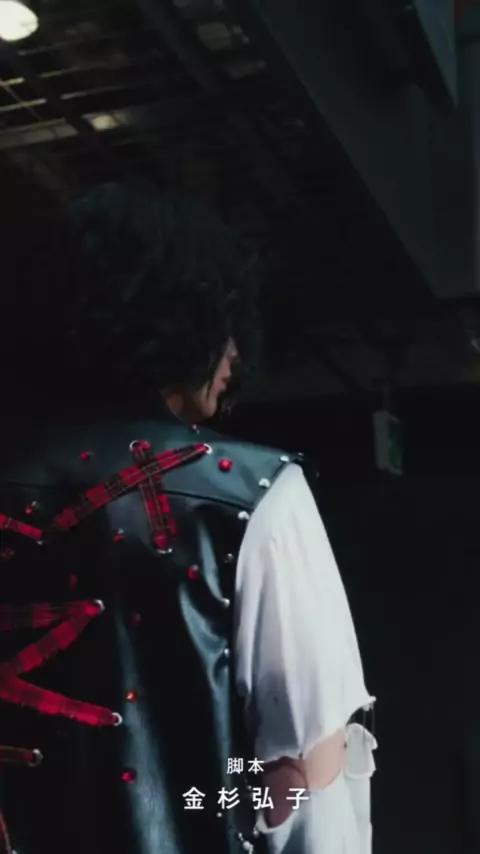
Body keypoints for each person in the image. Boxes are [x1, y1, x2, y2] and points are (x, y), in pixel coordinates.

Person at [0, 183, 376, 854]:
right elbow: (309, 775)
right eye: (227, 324)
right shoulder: (252, 492)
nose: (236, 357)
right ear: (177, 317)